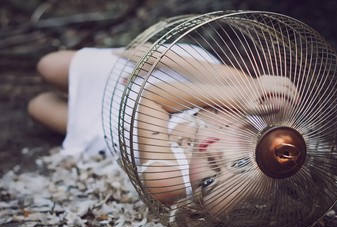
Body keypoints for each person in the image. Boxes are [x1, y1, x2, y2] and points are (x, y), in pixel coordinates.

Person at [28, 42, 299, 214]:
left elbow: (151, 99)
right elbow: (212, 73)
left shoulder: (168, 181)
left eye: (208, 182)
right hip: (167, 75)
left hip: (118, 119)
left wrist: (234, 98)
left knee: (37, 106)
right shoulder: (261, 116)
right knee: (48, 65)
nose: (216, 161)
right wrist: (150, 56)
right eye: (240, 165)